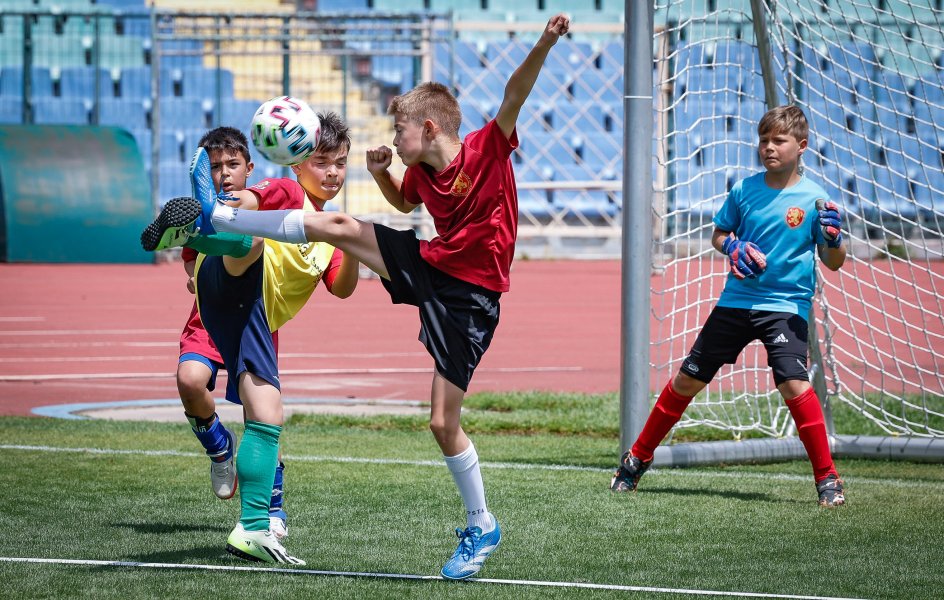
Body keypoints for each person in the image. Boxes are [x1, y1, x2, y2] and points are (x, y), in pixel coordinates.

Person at [140, 13, 571, 578]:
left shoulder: (488, 147)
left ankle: (480, 522)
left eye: (402, 133)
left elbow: (516, 93)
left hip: (472, 300)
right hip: (430, 266)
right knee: (339, 225)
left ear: (432, 129)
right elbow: (401, 207)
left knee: (443, 424)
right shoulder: (418, 174)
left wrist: (543, 41)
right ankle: (216, 215)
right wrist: (386, 177)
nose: (394, 140)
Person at [610, 105, 848, 507]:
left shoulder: (815, 200)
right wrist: (733, 245)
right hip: (737, 301)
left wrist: (835, 239)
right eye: (764, 140)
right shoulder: (744, 190)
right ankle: (635, 460)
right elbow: (719, 234)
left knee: (793, 381)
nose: (769, 148)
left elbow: (833, 261)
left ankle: (828, 480)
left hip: (786, 306)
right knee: (688, 379)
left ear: (801, 146)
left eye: (779, 141)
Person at [151, 112, 360, 564]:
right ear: (298, 161)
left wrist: (356, 246)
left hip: (250, 315)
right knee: (253, 237)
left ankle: (256, 526)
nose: (332, 172)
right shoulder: (287, 191)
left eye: (341, 163)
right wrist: (224, 208)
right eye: (322, 161)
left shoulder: (332, 229)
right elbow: (248, 200)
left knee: (265, 414)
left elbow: (342, 288)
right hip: (227, 285)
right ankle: (202, 220)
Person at [171, 127, 290, 540]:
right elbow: (190, 260)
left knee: (260, 410)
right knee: (189, 380)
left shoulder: (259, 202)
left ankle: (272, 506)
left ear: (249, 167)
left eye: (232, 165)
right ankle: (220, 447)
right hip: (207, 315)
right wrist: (194, 276)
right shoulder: (199, 214)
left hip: (252, 316)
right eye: (215, 166)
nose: (224, 174)